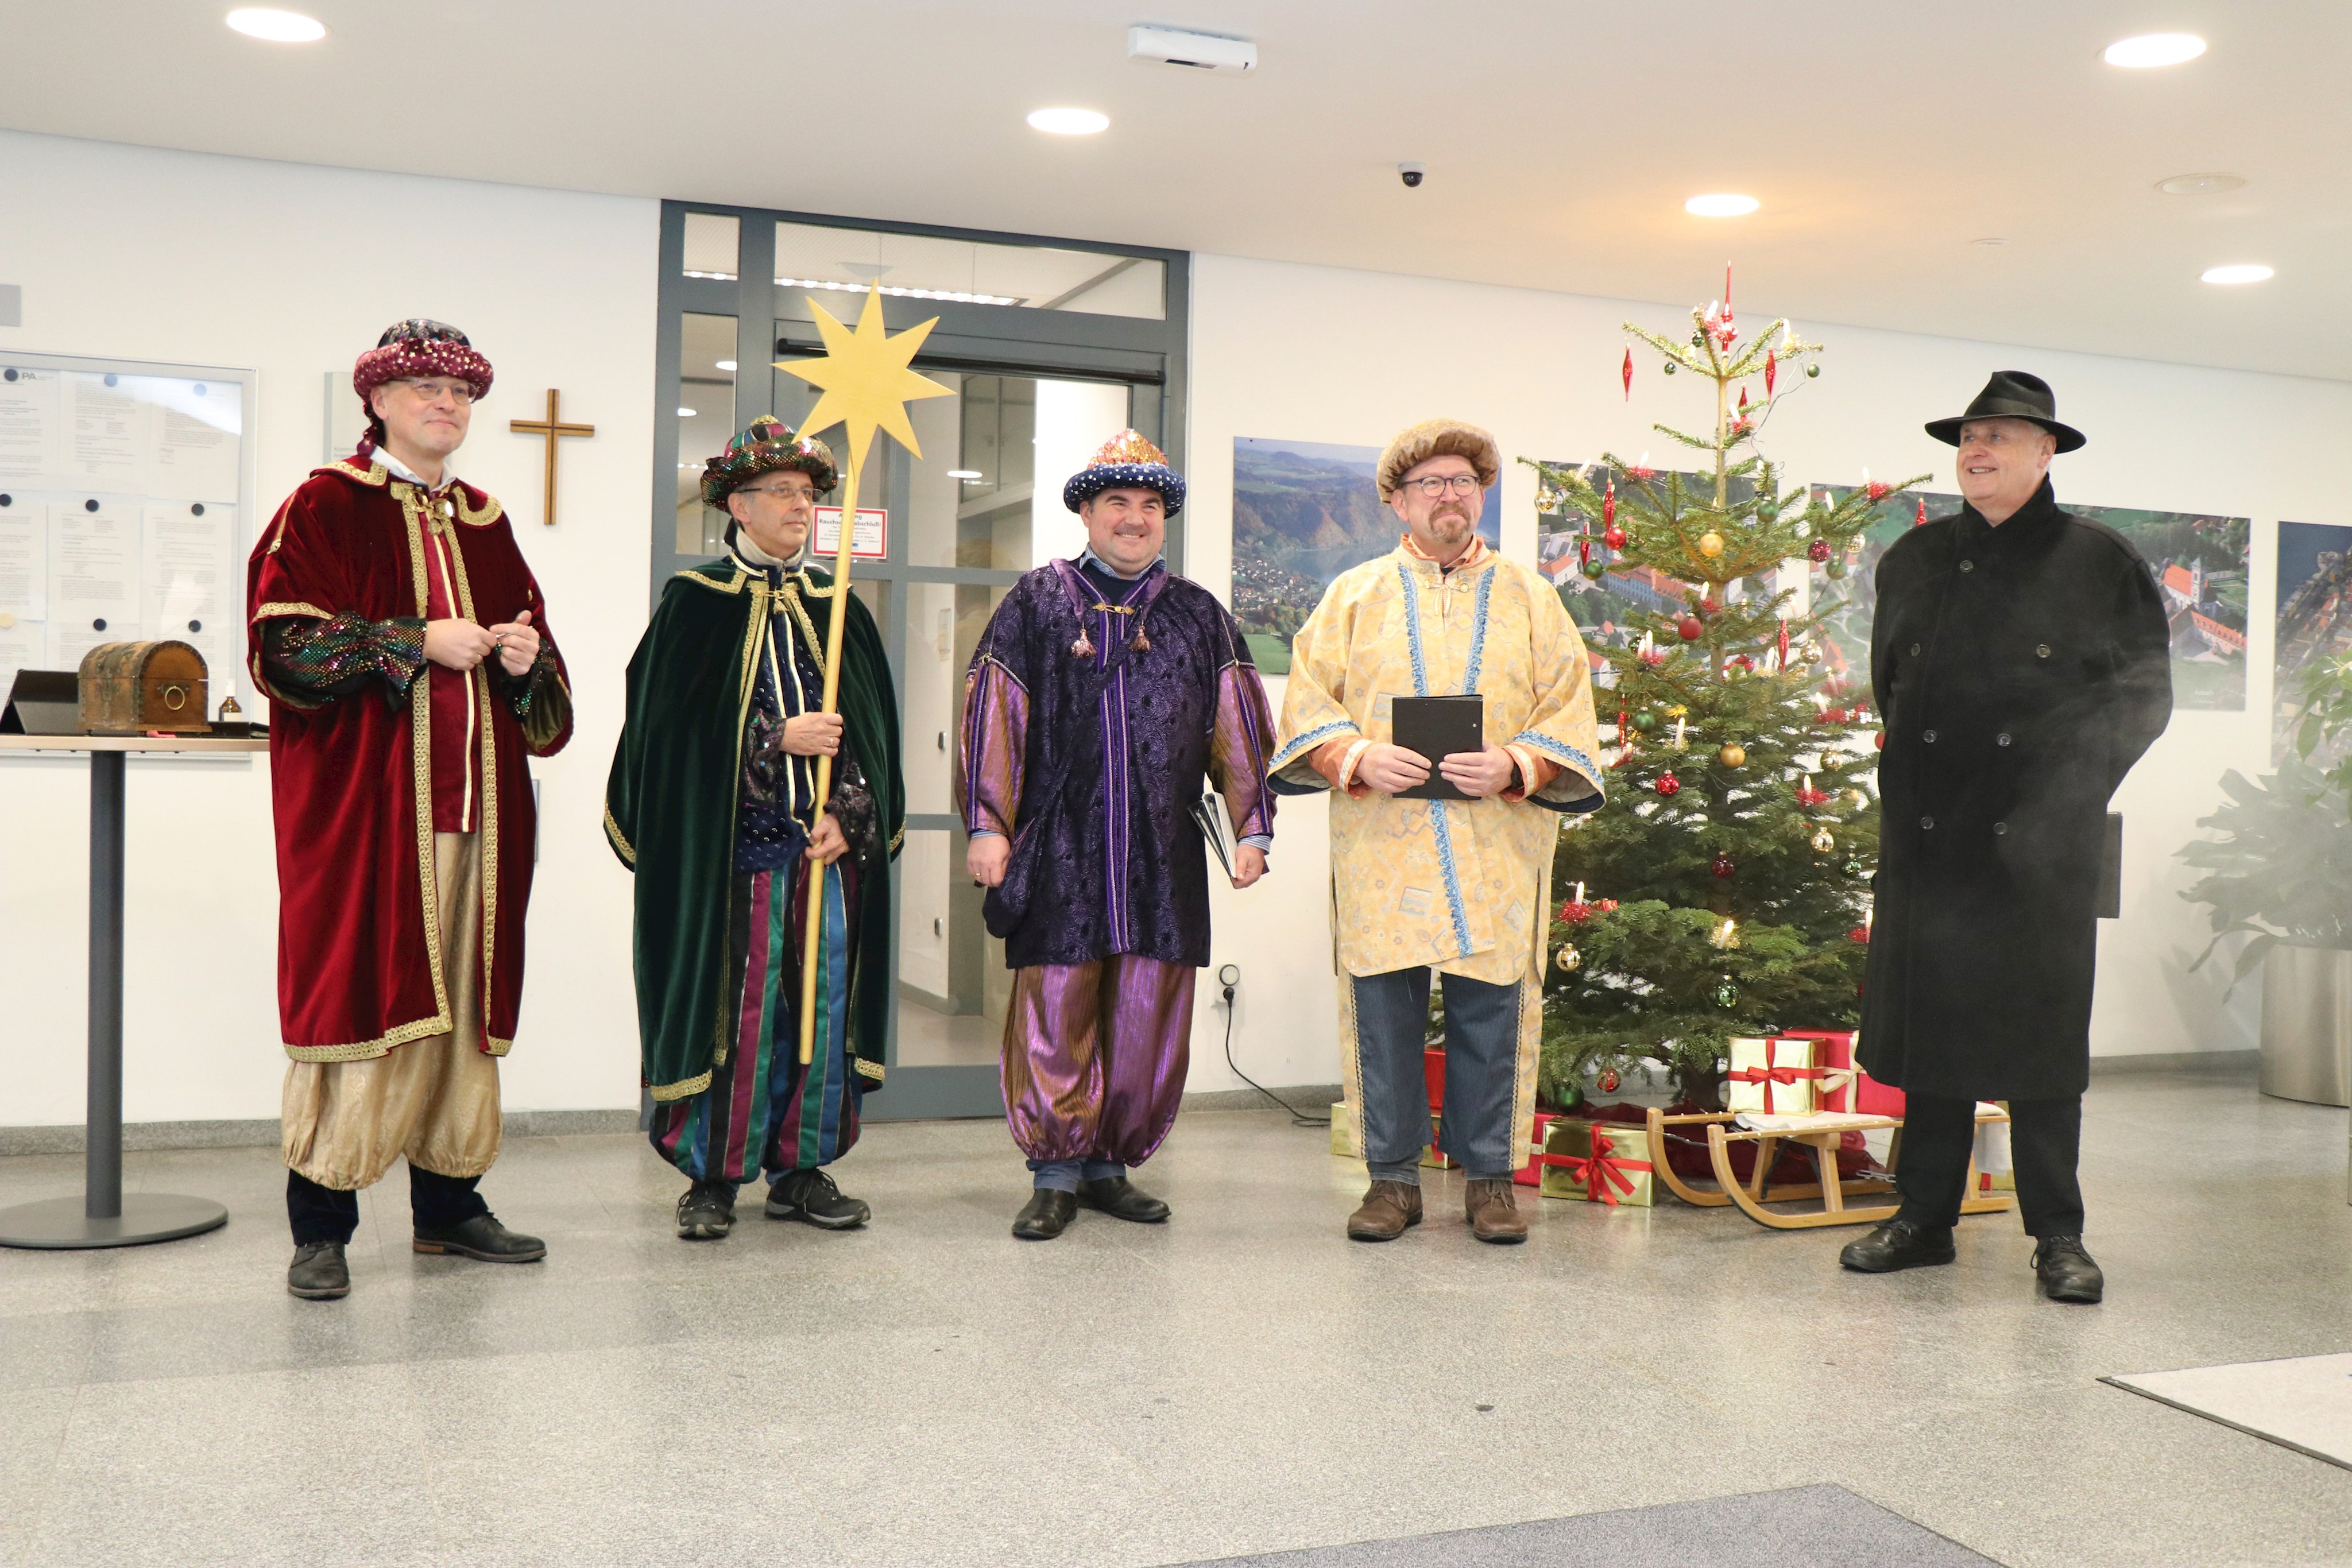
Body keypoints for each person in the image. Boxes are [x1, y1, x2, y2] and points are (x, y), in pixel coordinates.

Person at [247, 319, 572, 1300]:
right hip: (370, 818)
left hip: (483, 814)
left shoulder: (486, 518)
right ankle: (323, 1226)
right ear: (378, 402)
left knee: (465, 1011)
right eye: (426, 387)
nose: (448, 405)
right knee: (359, 1002)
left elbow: (545, 692)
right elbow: (285, 653)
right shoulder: (324, 506)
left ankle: (450, 1206)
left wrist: (525, 663)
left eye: (463, 393)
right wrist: (410, 640)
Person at [1841, 371, 2171, 1303]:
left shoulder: (2101, 561)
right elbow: (1892, 689)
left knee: (2039, 1042)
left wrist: (2062, 798)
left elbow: (2143, 699)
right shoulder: (1911, 559)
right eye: (1968, 437)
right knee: (1930, 1031)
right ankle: (1923, 1219)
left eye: (2000, 435)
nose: (1977, 451)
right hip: (1929, 834)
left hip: (2044, 845)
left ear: (2046, 450)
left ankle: (2059, 1235)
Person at [1269, 419, 1603, 1244]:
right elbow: (1306, 706)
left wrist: (1519, 766)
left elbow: (1570, 710)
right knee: (1383, 1008)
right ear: (1397, 502)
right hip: (1384, 842)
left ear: (1480, 494)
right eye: (1430, 484)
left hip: (1498, 843)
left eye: (1463, 482)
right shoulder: (1352, 596)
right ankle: (1391, 1180)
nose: (1448, 496)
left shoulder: (1535, 599)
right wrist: (1354, 757)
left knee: (1494, 1007)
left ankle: (1491, 1179)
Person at [958, 431, 1276, 1240]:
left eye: (1148, 507)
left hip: (1161, 857)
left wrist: (1252, 828)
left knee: (1146, 1012)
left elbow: (1237, 724)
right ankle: (1057, 1170)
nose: (1134, 520)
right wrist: (989, 824)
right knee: (1058, 1004)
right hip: (1060, 846)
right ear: (1089, 515)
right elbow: (996, 711)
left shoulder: (1200, 614)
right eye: (1117, 505)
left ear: (1162, 519)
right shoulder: (1037, 601)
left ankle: (1110, 1165)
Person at [606, 417, 904, 1241]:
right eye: (781, 492)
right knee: (739, 1013)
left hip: (823, 859)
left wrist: (849, 814)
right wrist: (776, 738)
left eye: (808, 494)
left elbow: (874, 735)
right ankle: (713, 1175)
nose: (799, 507)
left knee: (822, 1004)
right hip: (733, 856)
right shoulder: (693, 605)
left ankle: (803, 1168)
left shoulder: (837, 605)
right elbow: (665, 738)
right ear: (737, 505)